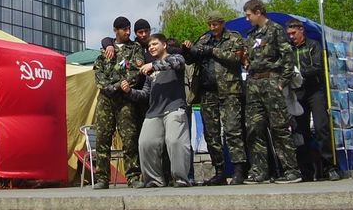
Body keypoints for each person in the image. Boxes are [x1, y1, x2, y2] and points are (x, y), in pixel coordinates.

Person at [182, 11, 247, 185]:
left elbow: (236, 58)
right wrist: (187, 50)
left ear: (222, 23)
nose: (213, 27)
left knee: (233, 130)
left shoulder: (233, 38)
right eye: (210, 24)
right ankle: (219, 171)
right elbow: (190, 60)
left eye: (216, 24)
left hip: (229, 90)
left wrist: (213, 51)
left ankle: (239, 170)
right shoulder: (204, 39)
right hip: (207, 91)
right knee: (211, 134)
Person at [242, 0, 302, 184]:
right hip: (254, 83)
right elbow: (250, 59)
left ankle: (291, 170)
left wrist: (282, 82)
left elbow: (288, 58)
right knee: (254, 128)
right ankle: (260, 171)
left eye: (249, 15)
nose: (247, 19)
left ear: (258, 11)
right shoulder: (251, 35)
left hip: (272, 82)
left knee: (279, 127)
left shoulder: (275, 30)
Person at [121, 34, 192, 187]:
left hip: (174, 108)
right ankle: (154, 180)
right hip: (154, 112)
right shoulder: (150, 71)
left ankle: (180, 179)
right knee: (145, 143)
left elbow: (176, 63)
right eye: (149, 46)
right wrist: (129, 92)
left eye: (154, 44)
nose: (151, 47)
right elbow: (145, 94)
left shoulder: (176, 58)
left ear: (164, 45)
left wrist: (153, 65)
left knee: (175, 141)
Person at [92, 16, 144, 189]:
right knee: (102, 138)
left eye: (129, 29)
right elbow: (99, 76)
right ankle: (102, 178)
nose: (128, 32)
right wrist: (113, 87)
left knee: (129, 138)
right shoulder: (104, 50)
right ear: (116, 30)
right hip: (106, 100)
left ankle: (133, 176)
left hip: (125, 99)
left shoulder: (134, 48)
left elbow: (136, 72)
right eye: (124, 29)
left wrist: (121, 86)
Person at [285, 19, 340, 181]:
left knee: (321, 126)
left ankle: (330, 166)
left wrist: (300, 73)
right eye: (289, 34)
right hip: (297, 94)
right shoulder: (288, 49)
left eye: (294, 33)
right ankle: (306, 170)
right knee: (300, 132)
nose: (291, 37)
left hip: (314, 91)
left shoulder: (313, 45)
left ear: (301, 30)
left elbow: (318, 67)